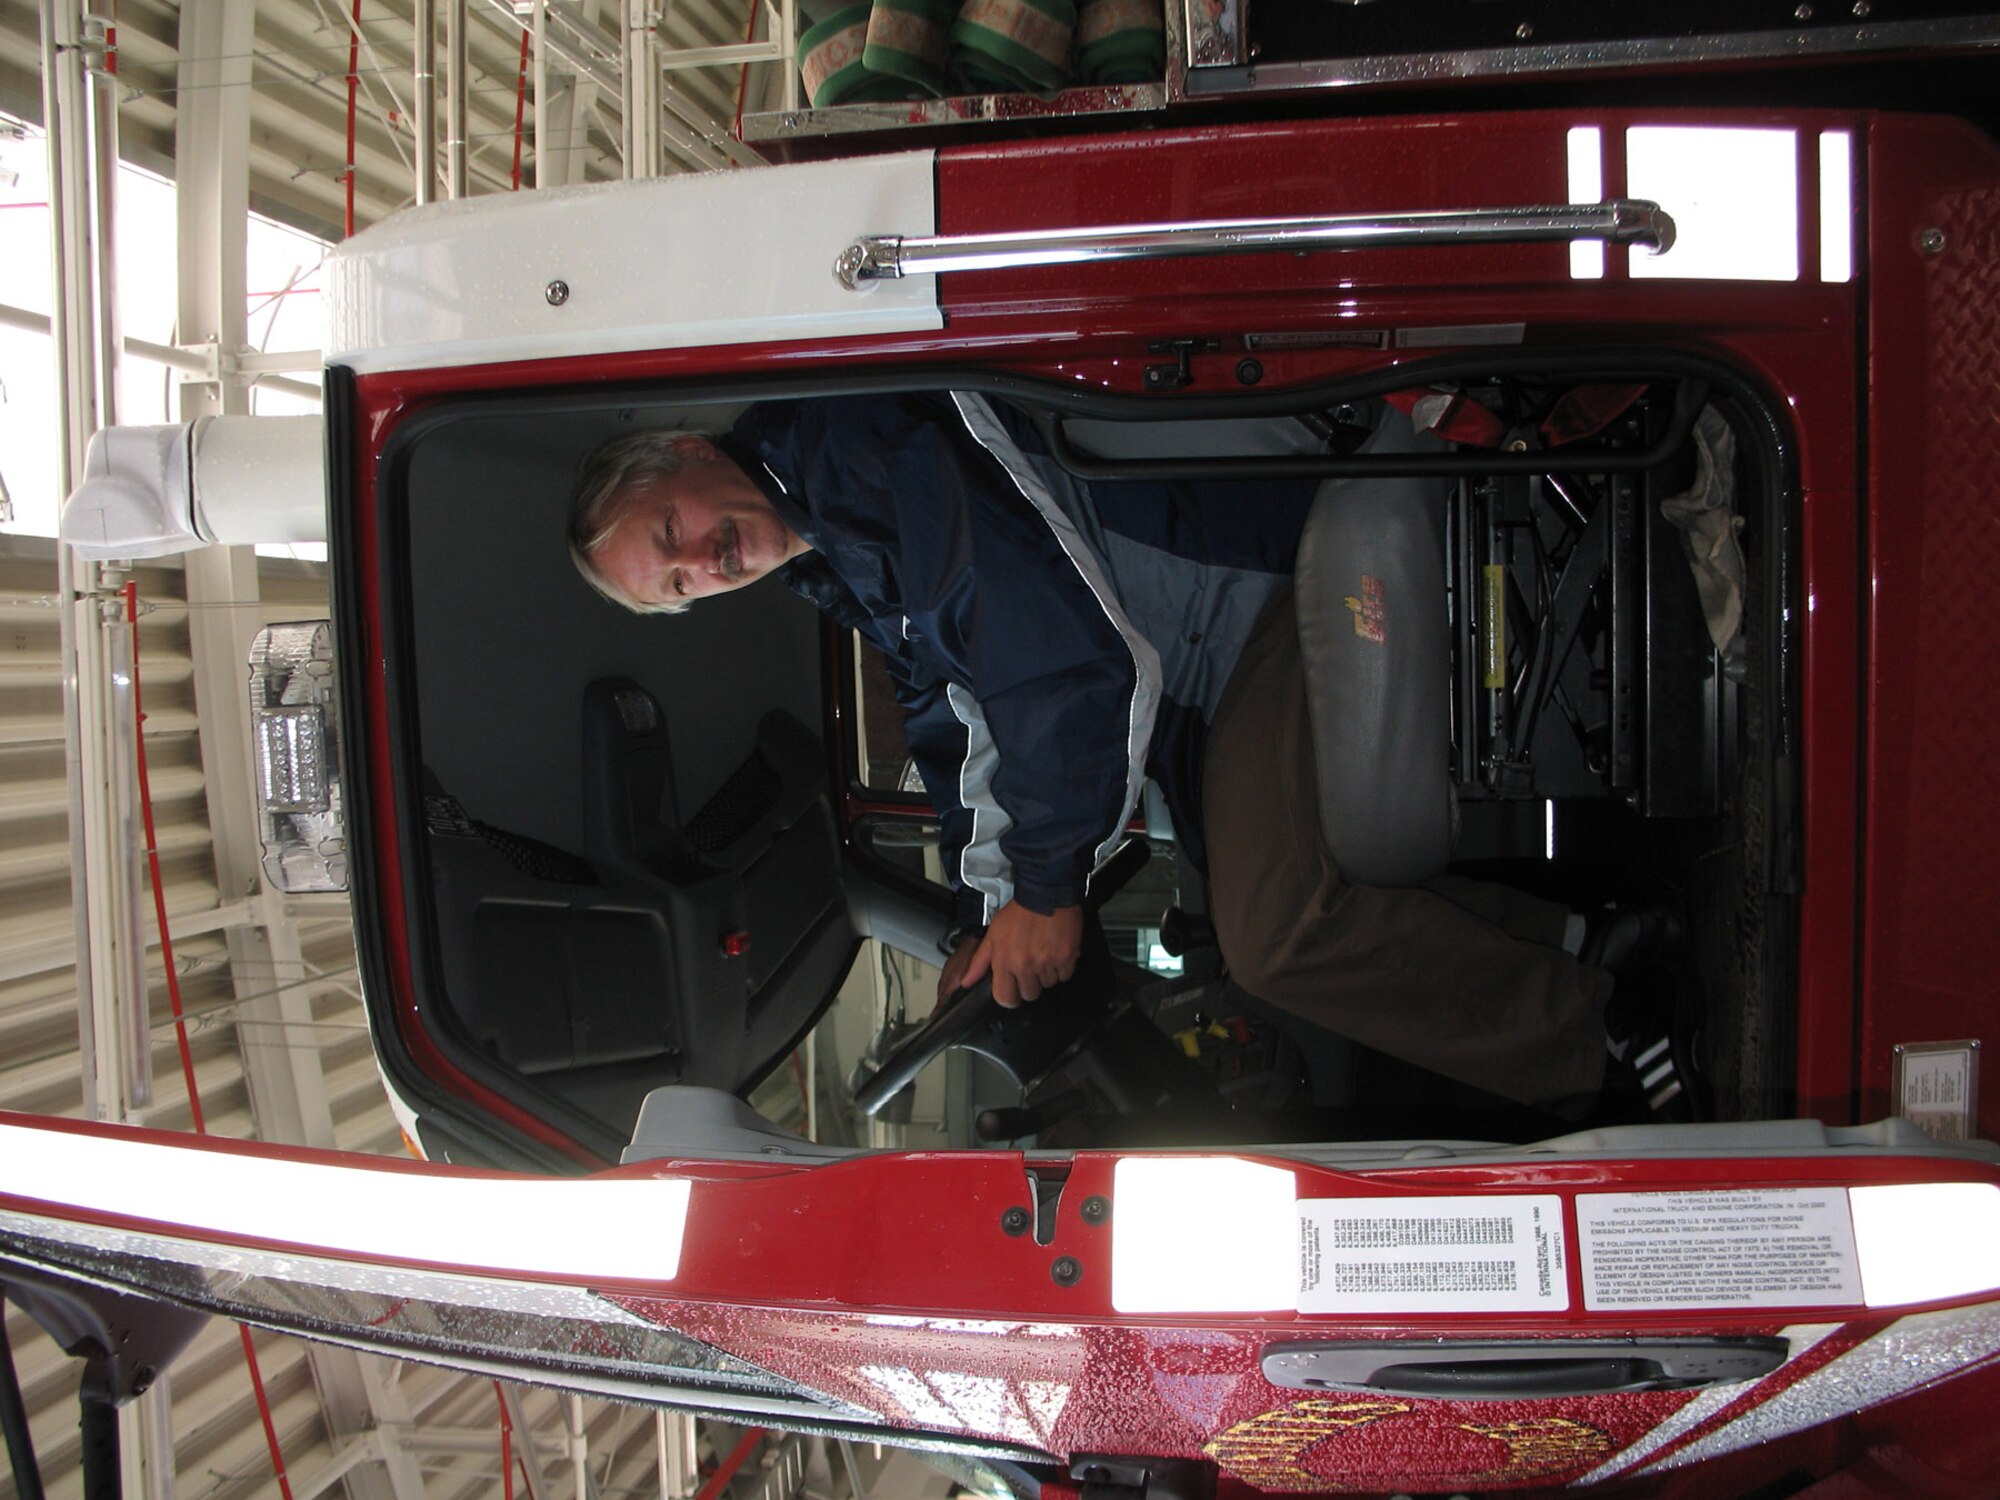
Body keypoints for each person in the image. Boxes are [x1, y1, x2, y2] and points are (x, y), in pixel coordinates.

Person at [568, 391, 1679, 1117]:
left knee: (1272, 932)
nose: (703, 564)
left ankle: (1595, 1027)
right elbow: (953, 724)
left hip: (1244, 588)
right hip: (1199, 652)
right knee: (1230, 887)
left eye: (672, 533)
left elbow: (1053, 650)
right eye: (678, 588)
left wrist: (1045, 889)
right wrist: (981, 907)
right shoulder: (835, 556)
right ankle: (1588, 943)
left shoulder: (847, 450)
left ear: (686, 452)